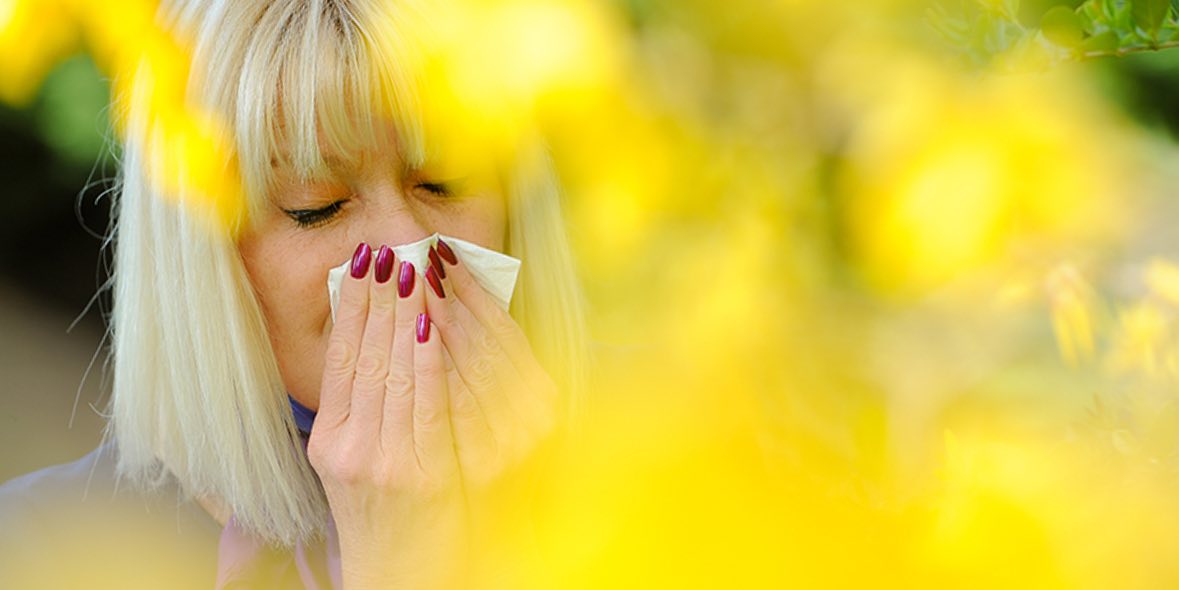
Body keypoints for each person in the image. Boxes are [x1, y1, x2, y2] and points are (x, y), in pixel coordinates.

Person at [0, 0, 588, 588]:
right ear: (201, 256)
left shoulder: (638, 461)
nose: (407, 243)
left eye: (445, 181)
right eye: (317, 207)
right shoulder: (38, 553)